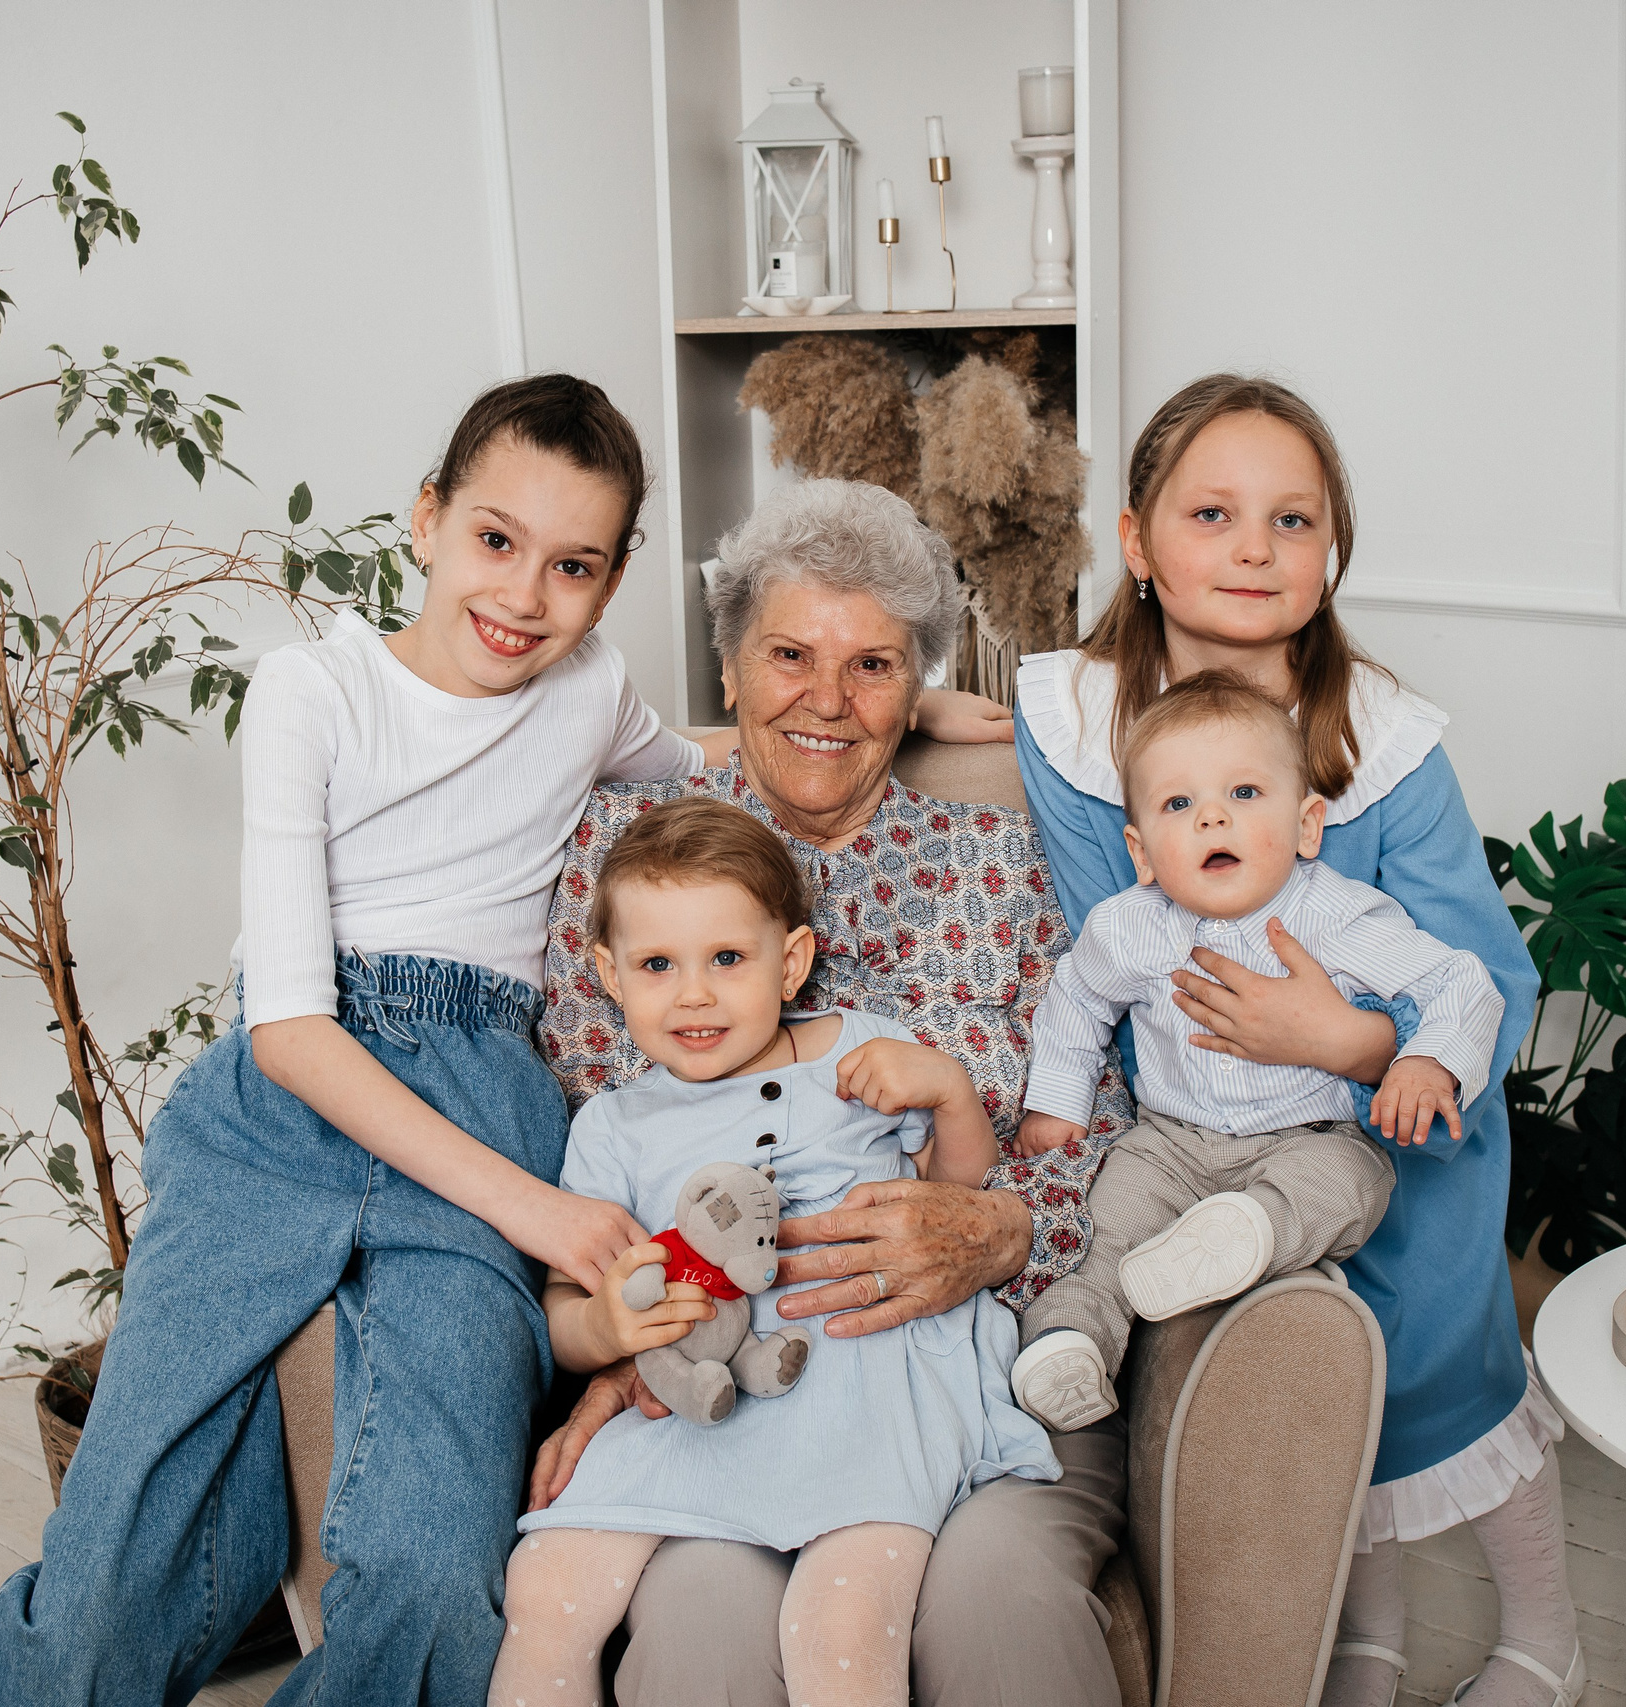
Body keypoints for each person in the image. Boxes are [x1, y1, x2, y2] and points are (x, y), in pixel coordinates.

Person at [0, 375, 720, 1707]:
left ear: (610, 588)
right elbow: (291, 1033)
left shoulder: (591, 688)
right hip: (285, 1097)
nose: (525, 593)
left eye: (574, 566)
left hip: (486, 1082)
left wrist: (933, 712)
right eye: (495, 538)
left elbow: (708, 761)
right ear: (426, 520)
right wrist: (541, 1214)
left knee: (437, 1575)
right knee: (102, 1578)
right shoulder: (309, 690)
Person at [1012, 374, 1577, 1707]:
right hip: (1202, 1116)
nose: (1255, 547)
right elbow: (1114, 940)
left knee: (1432, 1348)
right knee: (1308, 1373)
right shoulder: (1082, 723)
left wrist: (1349, 1035)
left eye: (1292, 520)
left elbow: (1481, 968)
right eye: (1213, 513)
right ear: (1140, 541)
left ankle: (1551, 1633)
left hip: (1384, 1102)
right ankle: (1361, 1634)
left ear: (1331, 557)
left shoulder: (1381, 741)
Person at [532, 476, 1135, 1707]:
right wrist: (624, 1348)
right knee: (700, 1618)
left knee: (998, 1601)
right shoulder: (619, 853)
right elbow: (597, 1147)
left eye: (872, 666)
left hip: (970, 1362)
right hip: (729, 1387)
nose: (826, 699)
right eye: (789, 655)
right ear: (730, 665)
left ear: (917, 685)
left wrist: (998, 1228)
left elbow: (1100, 1135)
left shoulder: (1002, 862)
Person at [491, 798, 1056, 1707]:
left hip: (869, 1380)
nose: (695, 993)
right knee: (548, 1589)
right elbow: (566, 1307)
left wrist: (949, 1095)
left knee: (835, 1626)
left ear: (790, 962)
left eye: (727, 958)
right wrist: (602, 1325)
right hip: (700, 1397)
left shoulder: (860, 1051)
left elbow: (961, 1196)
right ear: (608, 973)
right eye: (657, 965)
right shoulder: (615, 1125)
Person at [1007, 668, 1503, 1431]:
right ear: (1142, 852)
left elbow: (1459, 980)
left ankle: (1249, 1233)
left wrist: (1424, 1060)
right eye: (1180, 803)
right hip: (1167, 1143)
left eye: (1244, 794)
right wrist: (1055, 1103)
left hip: (1306, 1139)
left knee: (1349, 1184)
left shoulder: (1333, 914)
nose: (1213, 819)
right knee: (1101, 1227)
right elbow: (1077, 1001)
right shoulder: (1128, 925)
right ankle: (1069, 1343)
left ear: (1307, 825)